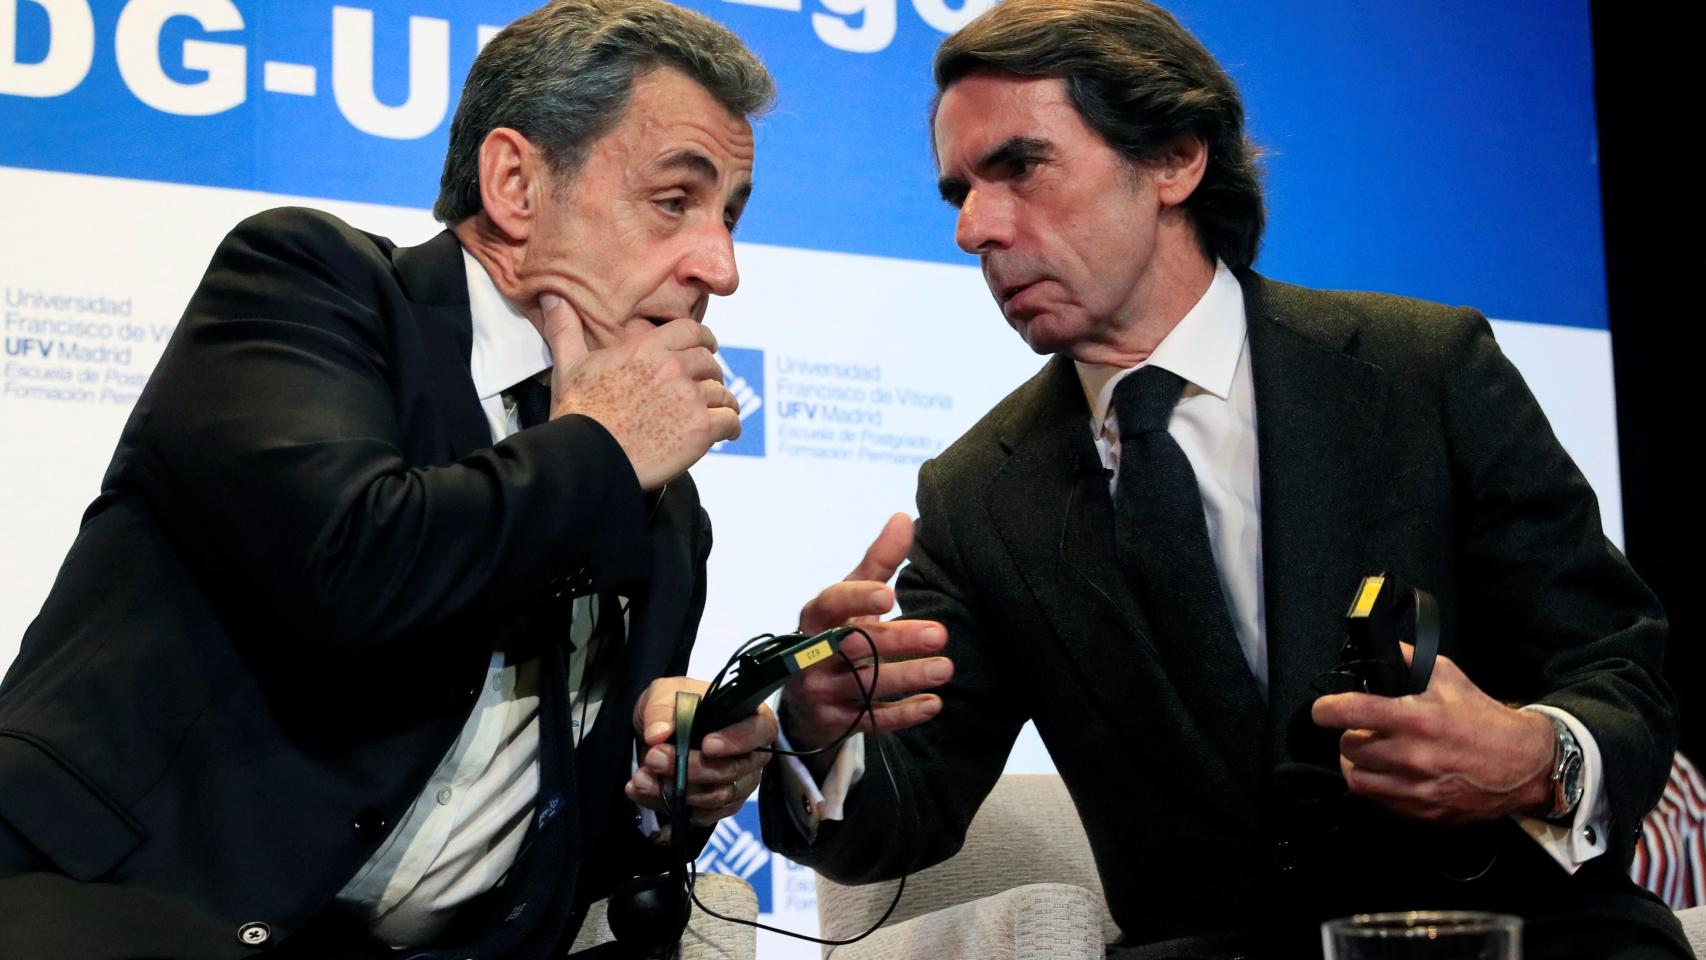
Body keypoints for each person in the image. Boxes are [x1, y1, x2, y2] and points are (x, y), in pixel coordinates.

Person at [761, 1, 1689, 956]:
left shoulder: (1423, 371)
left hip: (1513, 931)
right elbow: (904, 813)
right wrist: (819, 729)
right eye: (958, 192)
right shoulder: (976, 495)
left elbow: (1617, 669)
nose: (974, 230)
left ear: (1174, 159)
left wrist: (1538, 760)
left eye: (1020, 167)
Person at [0, 2, 779, 957]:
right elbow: (350, 569)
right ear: (516, 183)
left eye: (729, 216)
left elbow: (557, 848)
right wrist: (601, 451)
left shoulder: (664, 511)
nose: (722, 267)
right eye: (675, 201)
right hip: (106, 906)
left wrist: (673, 787)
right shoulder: (309, 283)